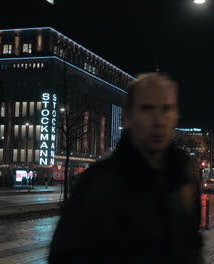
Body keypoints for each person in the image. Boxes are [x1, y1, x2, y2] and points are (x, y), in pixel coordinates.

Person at [49, 73, 203, 264]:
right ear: (129, 116)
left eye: (166, 109)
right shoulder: (97, 182)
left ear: (176, 115)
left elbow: (191, 246)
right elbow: (65, 255)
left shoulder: (184, 175)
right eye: (147, 109)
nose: (158, 120)